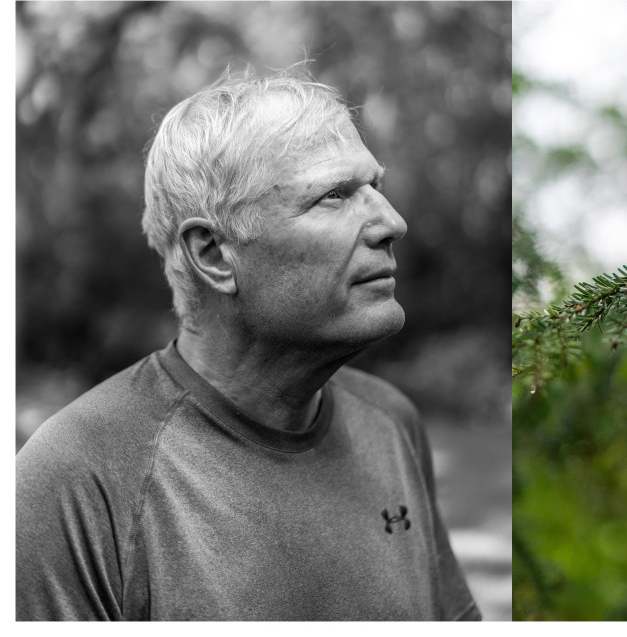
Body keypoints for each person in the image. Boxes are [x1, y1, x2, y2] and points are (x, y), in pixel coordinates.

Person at [16, 68, 481, 621]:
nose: (393, 223)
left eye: (374, 188)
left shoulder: (390, 421)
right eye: (334, 195)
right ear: (213, 254)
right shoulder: (76, 478)